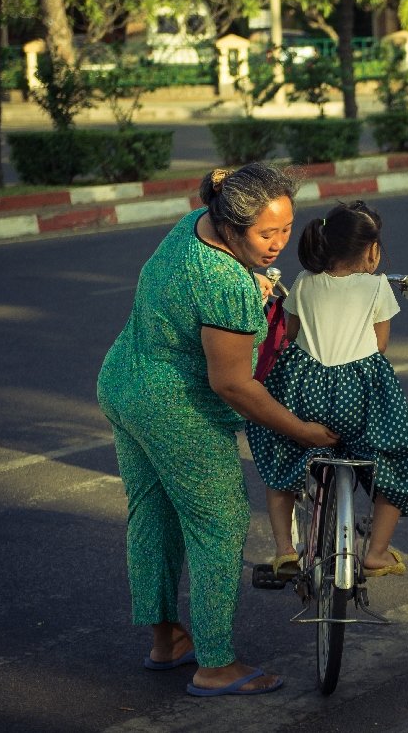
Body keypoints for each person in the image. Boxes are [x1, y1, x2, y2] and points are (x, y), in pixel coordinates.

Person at [96, 162, 339, 697]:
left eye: (284, 229)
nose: (278, 244)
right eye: (265, 234)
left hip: (123, 382)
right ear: (231, 226)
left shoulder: (193, 226)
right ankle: (215, 663)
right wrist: (300, 429)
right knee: (220, 524)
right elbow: (232, 384)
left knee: (153, 516)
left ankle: (168, 641)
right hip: (174, 406)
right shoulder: (225, 281)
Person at [247, 200, 408, 580]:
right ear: (371, 250)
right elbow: (380, 346)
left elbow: (290, 335)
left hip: (302, 393)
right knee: (397, 456)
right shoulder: (377, 288)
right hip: (359, 398)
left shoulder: (305, 283)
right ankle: (376, 552)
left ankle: (284, 552)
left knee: (281, 456)